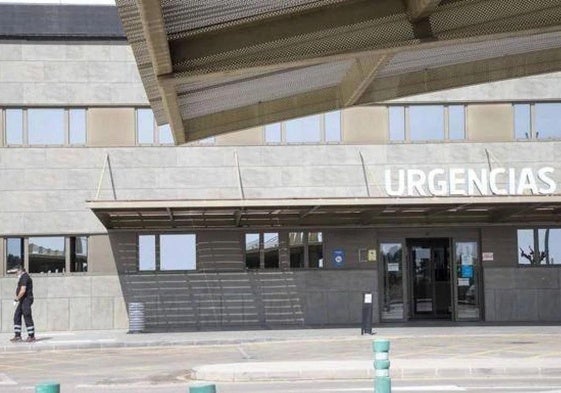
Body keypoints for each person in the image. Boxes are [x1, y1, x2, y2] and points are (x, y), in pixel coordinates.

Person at [10, 265, 35, 343]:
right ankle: (17, 336)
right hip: (22, 300)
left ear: (20, 270)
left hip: (26, 299)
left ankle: (31, 336)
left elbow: (23, 290)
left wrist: (16, 299)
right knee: (17, 316)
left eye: (16, 272)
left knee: (27, 316)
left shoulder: (25, 277)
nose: (16, 274)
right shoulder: (22, 277)